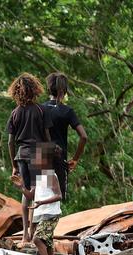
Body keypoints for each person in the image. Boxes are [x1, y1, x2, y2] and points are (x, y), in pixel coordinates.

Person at [6, 73, 53, 242]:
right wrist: (51, 154)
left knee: (26, 194)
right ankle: (34, 233)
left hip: (22, 154)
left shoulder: (15, 113)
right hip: (40, 152)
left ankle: (25, 233)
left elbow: (10, 142)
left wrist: (13, 164)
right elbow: (47, 136)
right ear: (35, 89)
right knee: (39, 193)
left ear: (16, 92)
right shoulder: (42, 110)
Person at [42, 72, 88, 201]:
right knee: (57, 199)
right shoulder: (67, 111)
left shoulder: (40, 109)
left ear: (48, 89)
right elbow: (84, 137)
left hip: (41, 157)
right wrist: (75, 159)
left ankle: (35, 222)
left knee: (42, 198)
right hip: (59, 157)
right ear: (65, 91)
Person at [11, 144, 62, 255]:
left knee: (37, 240)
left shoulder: (50, 175)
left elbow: (59, 196)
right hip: (41, 214)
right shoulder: (38, 177)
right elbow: (31, 196)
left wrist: (41, 203)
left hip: (50, 213)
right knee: (47, 243)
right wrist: (22, 187)